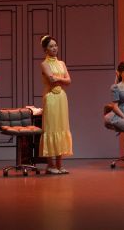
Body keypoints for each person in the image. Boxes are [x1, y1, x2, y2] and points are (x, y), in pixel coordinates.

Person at [38, 35, 73, 174]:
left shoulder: (62, 63)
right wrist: (61, 79)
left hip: (61, 98)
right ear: (45, 49)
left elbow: (69, 81)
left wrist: (58, 79)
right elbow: (51, 79)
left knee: (61, 127)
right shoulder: (44, 64)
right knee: (51, 128)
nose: (54, 48)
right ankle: (50, 165)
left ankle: (59, 164)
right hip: (51, 98)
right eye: (51, 46)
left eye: (55, 45)